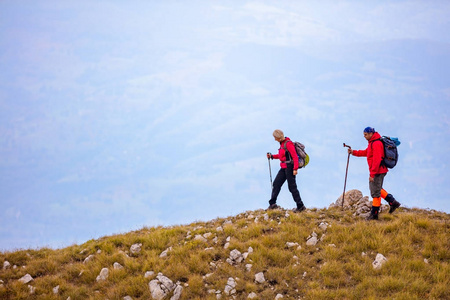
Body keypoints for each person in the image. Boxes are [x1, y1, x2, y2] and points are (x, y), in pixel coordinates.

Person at [348, 127, 401, 220]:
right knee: (377, 188)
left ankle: (374, 214)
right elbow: (367, 152)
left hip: (378, 171)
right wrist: (354, 152)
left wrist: (372, 174)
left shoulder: (376, 143)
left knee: (375, 192)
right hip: (380, 170)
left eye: (366, 134)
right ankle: (393, 202)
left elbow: (377, 160)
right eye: (364, 134)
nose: (364, 136)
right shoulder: (373, 142)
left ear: (371, 134)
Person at [267, 129, 306, 212]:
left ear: (278, 137)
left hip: (290, 167)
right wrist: (272, 156)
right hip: (284, 167)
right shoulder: (282, 144)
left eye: (275, 137)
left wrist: (295, 169)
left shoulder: (288, 144)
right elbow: (282, 156)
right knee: (276, 183)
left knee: (292, 187)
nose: (274, 139)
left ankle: (300, 206)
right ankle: (272, 204)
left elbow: (295, 157)